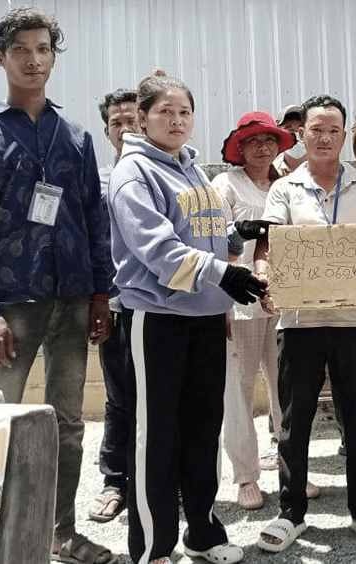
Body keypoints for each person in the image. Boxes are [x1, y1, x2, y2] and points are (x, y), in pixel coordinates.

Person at [0, 7, 116, 564]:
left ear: (52, 55)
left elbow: (94, 218)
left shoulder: (75, 136)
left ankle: (61, 532)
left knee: (68, 423)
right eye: (21, 49)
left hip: (72, 300)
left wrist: (100, 293)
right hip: (11, 304)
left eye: (43, 48)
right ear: (1, 57)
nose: (33, 58)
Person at [108, 69, 265, 564]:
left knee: (202, 427)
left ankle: (202, 530)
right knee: (156, 436)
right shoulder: (133, 173)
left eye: (185, 112)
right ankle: (153, 548)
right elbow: (159, 250)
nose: (176, 120)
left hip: (203, 317)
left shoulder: (191, 169)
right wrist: (226, 275)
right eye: (165, 111)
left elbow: (205, 229)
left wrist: (238, 232)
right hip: (157, 319)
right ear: (144, 117)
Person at [252, 94, 356, 553]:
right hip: (298, 322)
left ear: (343, 137)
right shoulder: (285, 187)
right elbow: (267, 243)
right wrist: (263, 278)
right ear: (302, 134)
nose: (323, 137)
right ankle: (291, 513)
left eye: (333, 130)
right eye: (314, 129)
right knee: (294, 422)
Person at [212, 110, 319, 509]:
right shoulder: (224, 184)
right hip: (239, 300)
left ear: (280, 145)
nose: (262, 147)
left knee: (288, 387)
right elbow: (213, 242)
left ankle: (294, 470)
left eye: (269, 140)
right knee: (237, 390)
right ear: (239, 148)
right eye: (252, 141)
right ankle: (245, 477)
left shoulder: (291, 184)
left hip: (287, 298)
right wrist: (220, 302)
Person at [88, 88, 140, 524]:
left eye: (133, 119)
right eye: (117, 122)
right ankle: (114, 481)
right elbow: (91, 245)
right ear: (107, 132)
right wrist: (97, 300)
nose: (126, 128)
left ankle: (163, 481)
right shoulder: (98, 181)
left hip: (165, 309)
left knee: (166, 399)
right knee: (119, 398)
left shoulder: (171, 173)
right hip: (118, 306)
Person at [273, 104, 307, 175]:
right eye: (289, 130)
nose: (297, 135)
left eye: (301, 130)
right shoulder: (271, 170)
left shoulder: (324, 169)